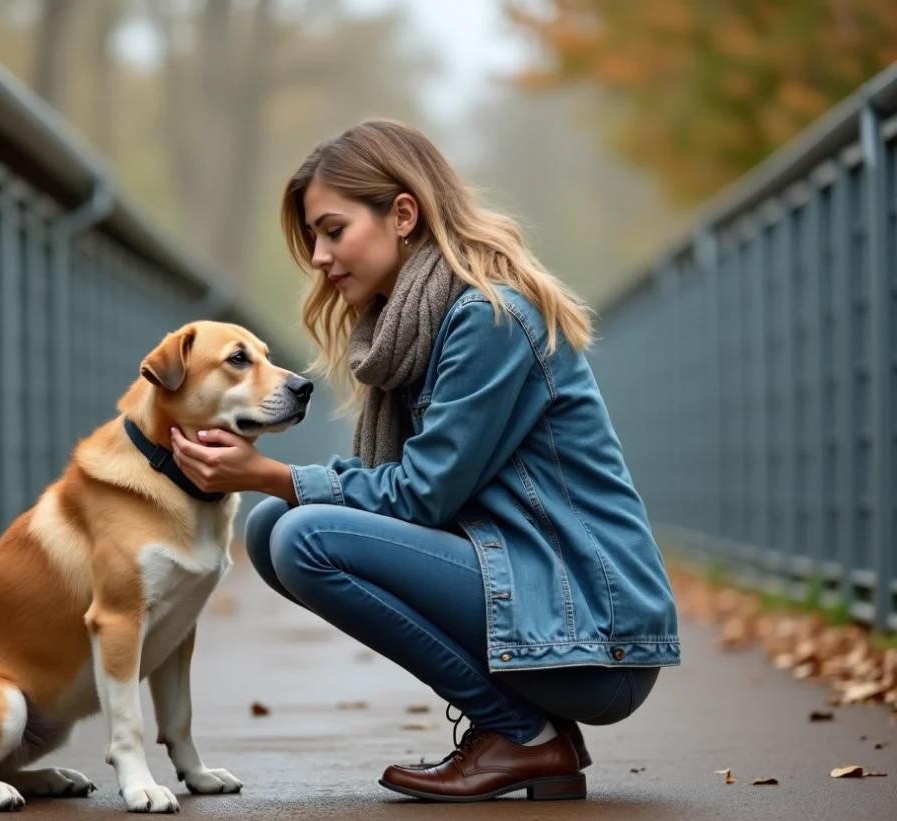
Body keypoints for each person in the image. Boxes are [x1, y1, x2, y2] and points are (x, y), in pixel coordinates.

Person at [168, 118, 679, 803]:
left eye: (332, 229)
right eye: (313, 239)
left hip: (594, 633)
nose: (319, 256)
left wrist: (271, 475)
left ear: (403, 213)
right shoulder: (415, 324)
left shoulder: (488, 316)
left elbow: (423, 496)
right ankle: (530, 736)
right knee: (269, 530)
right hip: (539, 602)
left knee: (301, 532)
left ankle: (521, 735)